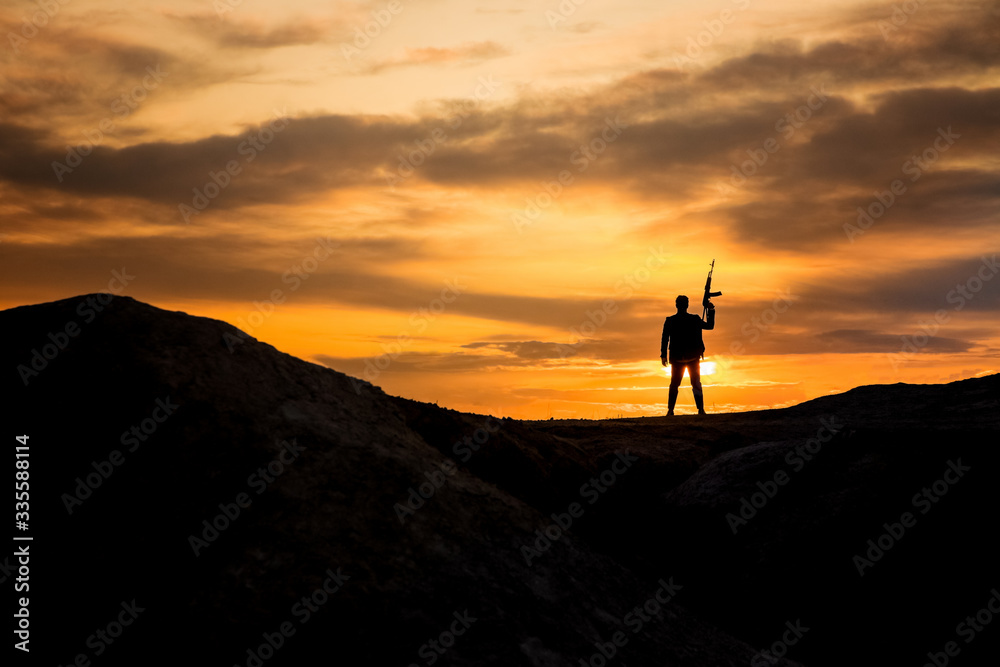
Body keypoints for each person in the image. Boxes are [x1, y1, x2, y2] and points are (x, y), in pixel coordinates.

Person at [660, 295, 715, 415]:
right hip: (691, 358)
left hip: (678, 358)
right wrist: (711, 310)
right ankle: (700, 410)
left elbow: (665, 339)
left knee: (675, 384)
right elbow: (710, 326)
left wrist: (663, 355)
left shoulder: (670, 321)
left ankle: (670, 410)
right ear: (687, 305)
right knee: (695, 384)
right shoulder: (694, 319)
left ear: (676, 305)